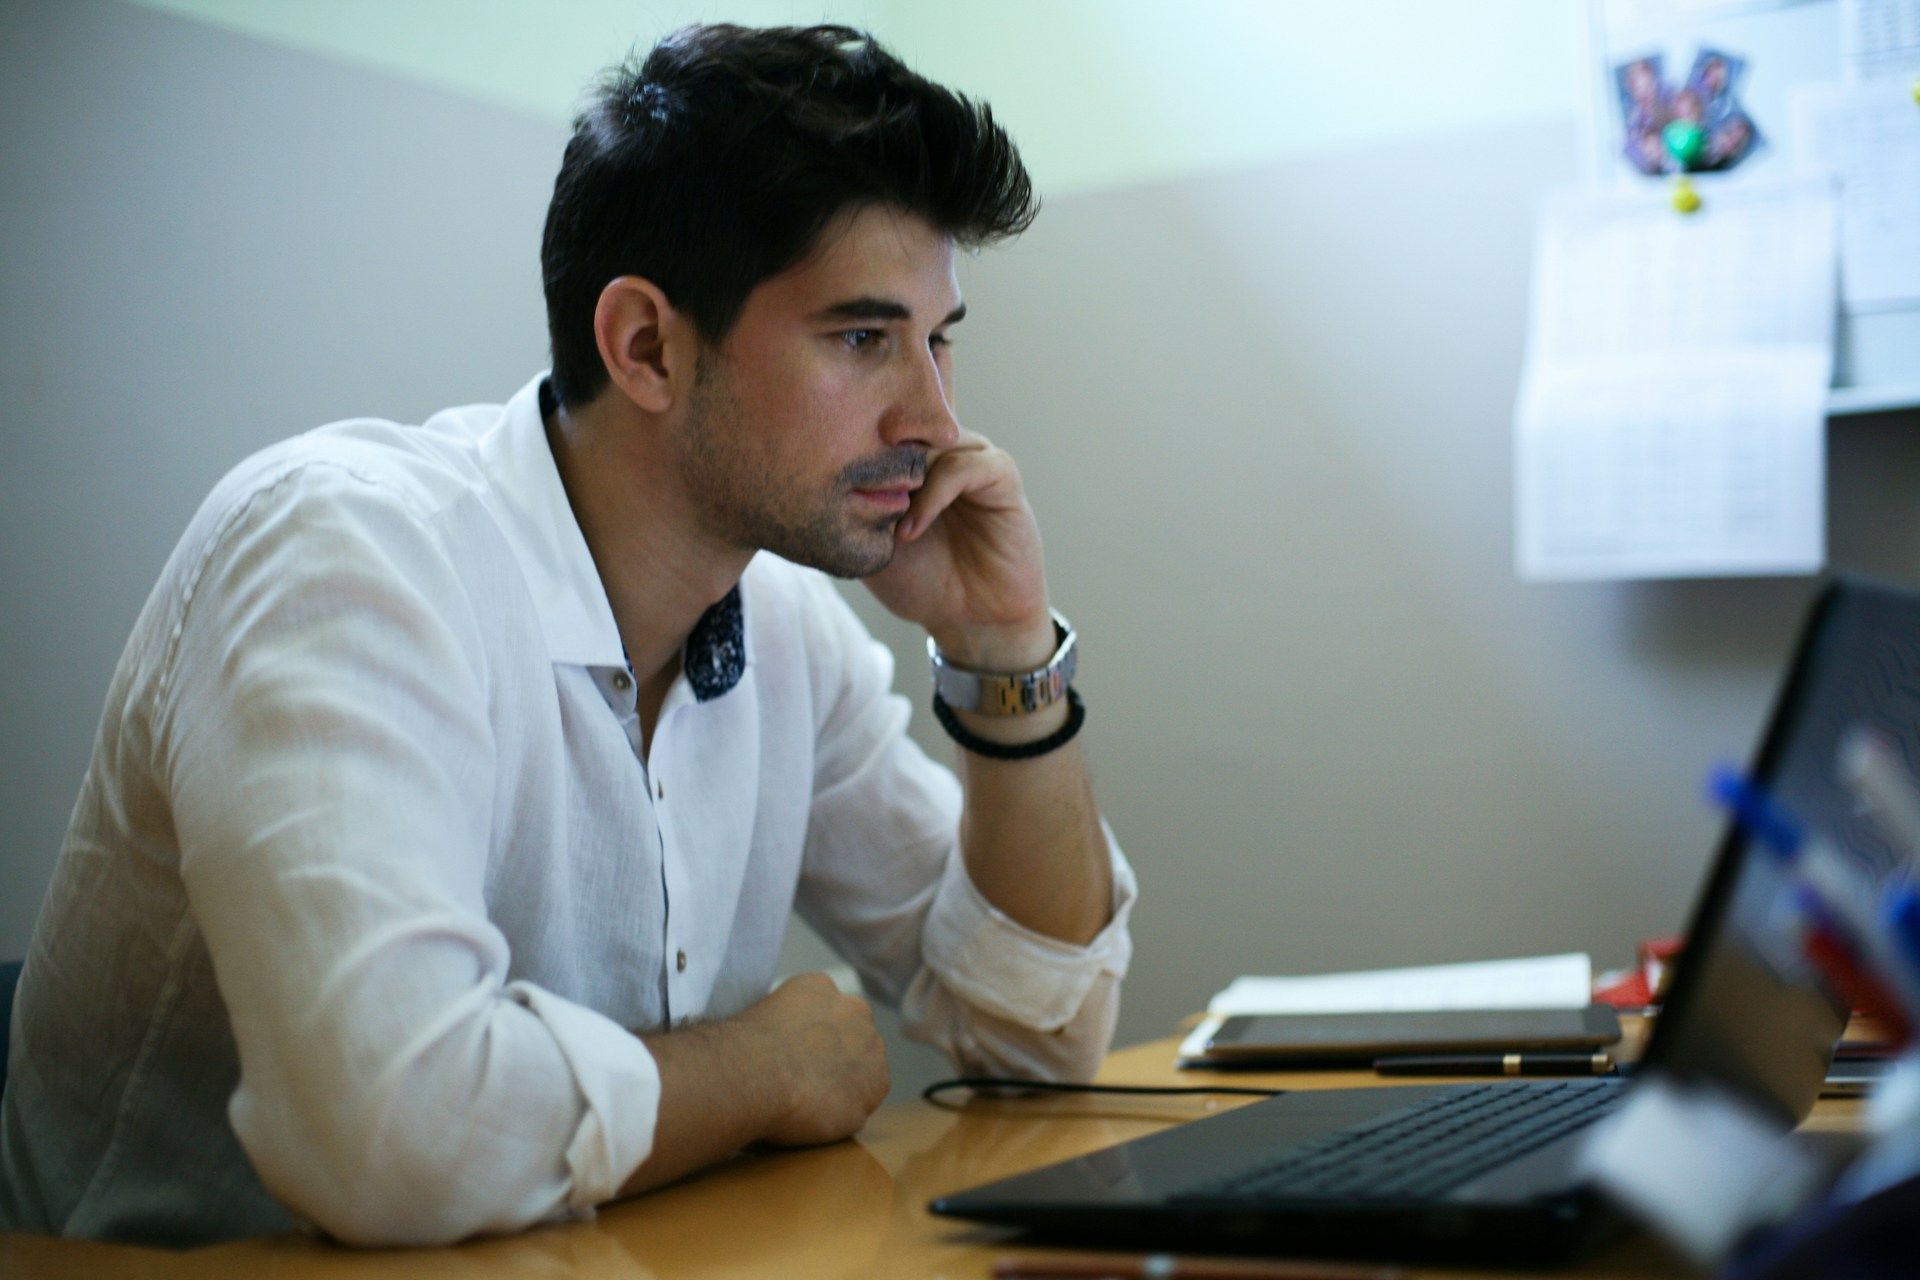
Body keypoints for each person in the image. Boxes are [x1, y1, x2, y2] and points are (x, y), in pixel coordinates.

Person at [0, 23, 1136, 1248]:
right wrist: (760, 1067)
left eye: (938, 336)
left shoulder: (786, 622)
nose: (935, 415)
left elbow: (1038, 1028)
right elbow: (392, 1131)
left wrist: (1005, 648)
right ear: (645, 345)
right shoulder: (345, 552)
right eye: (863, 338)